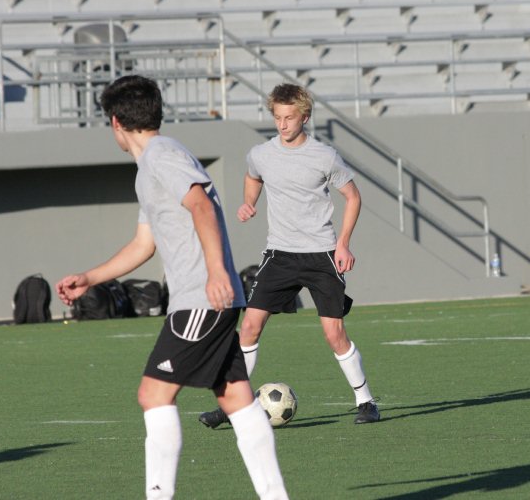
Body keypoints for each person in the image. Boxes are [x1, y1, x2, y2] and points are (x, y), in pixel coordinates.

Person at [55, 75, 288, 500]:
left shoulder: (163, 155)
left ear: (115, 122)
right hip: (208, 298)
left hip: (201, 299)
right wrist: (89, 278)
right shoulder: (150, 167)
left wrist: (217, 272)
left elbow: (199, 203)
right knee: (237, 399)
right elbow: (145, 244)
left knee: (153, 394)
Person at [199, 83, 380, 429]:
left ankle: (366, 401)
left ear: (304, 117)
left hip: (322, 255)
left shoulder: (324, 156)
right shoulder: (261, 154)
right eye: (277, 118)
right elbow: (253, 177)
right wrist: (249, 202)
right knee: (249, 326)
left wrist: (343, 244)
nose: (282, 125)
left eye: (289, 118)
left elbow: (353, 197)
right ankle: (232, 404)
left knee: (334, 333)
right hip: (279, 255)